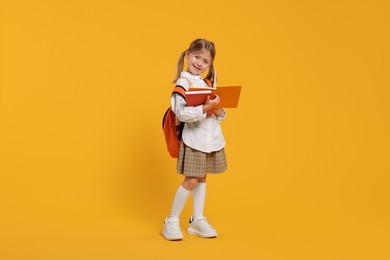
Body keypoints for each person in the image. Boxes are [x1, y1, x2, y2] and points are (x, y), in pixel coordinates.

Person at [162, 39, 228, 241]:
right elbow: (181, 114)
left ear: (210, 65)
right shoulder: (183, 84)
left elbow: (221, 114)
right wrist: (205, 109)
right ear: (188, 55)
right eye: (197, 57)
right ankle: (171, 221)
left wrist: (217, 110)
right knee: (191, 180)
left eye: (205, 61)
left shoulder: (209, 83)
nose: (199, 63)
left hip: (210, 139)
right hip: (194, 140)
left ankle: (197, 220)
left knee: (202, 178)